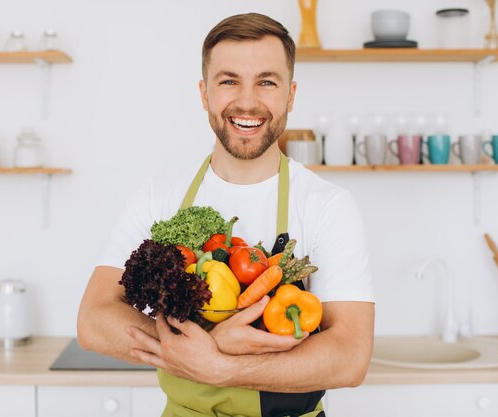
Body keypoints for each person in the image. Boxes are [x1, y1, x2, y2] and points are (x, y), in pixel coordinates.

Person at [78, 12, 375, 417]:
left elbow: (350, 357)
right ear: (204, 93)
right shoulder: (159, 198)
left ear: (290, 95)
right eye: (229, 80)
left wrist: (221, 366)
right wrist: (198, 347)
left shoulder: (326, 206)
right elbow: (94, 320)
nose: (248, 101)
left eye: (267, 82)